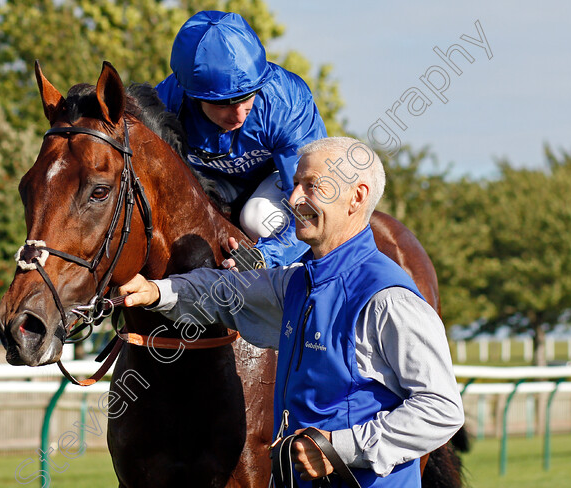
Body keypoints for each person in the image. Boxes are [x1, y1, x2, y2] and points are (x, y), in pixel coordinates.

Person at [118, 137, 464, 487]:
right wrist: (157, 290)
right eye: (296, 184)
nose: (294, 199)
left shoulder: (389, 300)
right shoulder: (297, 282)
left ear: (356, 197)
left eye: (311, 186)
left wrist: (340, 448)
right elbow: (226, 291)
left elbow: (442, 409)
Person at [156, 10, 327, 268]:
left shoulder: (286, 104)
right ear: (192, 95)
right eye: (223, 103)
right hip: (211, 184)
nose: (239, 114)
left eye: (248, 96)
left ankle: (292, 294)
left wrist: (264, 256)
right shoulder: (165, 105)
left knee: (257, 217)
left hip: (279, 180)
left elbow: (314, 197)